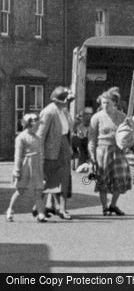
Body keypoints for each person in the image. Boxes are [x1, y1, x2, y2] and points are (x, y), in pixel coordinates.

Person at [88, 88, 132, 216]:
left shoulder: (122, 117)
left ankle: (113, 205)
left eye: (108, 103)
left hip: (118, 151)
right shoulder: (96, 117)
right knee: (103, 181)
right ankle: (104, 207)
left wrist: (128, 141)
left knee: (119, 180)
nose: (105, 105)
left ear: (115, 103)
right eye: (103, 103)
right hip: (102, 152)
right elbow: (91, 138)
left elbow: (128, 134)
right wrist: (92, 156)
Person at [37, 86, 74, 220]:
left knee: (64, 179)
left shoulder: (64, 111)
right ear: (57, 100)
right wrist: (40, 155)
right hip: (51, 150)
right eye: (65, 101)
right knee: (50, 179)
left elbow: (68, 130)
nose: (67, 103)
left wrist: (69, 146)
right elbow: (40, 135)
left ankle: (61, 209)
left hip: (63, 146)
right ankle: (41, 207)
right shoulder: (48, 112)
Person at [6, 114, 47, 222]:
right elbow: (18, 155)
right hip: (25, 166)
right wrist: (17, 170)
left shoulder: (38, 138)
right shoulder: (21, 137)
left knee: (39, 191)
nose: (38, 126)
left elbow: (41, 154)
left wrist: (42, 168)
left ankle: (41, 213)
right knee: (20, 190)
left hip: (37, 165)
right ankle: (10, 210)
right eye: (36, 124)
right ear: (29, 124)